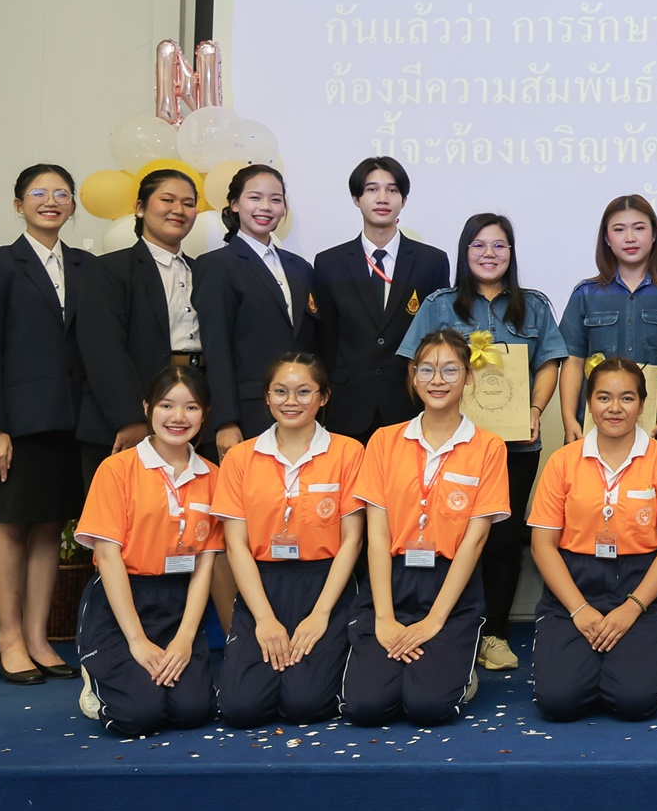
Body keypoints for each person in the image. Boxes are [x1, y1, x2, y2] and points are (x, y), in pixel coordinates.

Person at [399, 213, 567, 674]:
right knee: (448, 534)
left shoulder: (532, 306)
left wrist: (533, 411)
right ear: (463, 252)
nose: (489, 254)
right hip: (450, 448)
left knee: (504, 540)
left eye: (499, 246)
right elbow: (414, 364)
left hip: (515, 449)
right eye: (478, 245)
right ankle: (447, 626)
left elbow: (550, 363)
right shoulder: (439, 304)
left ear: (511, 254)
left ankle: (492, 633)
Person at [0, 163, 95, 683]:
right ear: (18, 205)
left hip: (75, 420)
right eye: (38, 193)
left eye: (62, 193)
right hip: (20, 422)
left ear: (72, 205)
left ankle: (39, 637)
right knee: (13, 523)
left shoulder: (88, 266)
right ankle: (10, 639)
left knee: (51, 525)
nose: (51, 201)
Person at [344, 329, 507, 727]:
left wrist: (434, 621)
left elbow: (475, 541)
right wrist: (384, 617)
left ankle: (459, 667)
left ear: (468, 377)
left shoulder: (488, 447)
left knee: (428, 707)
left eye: (451, 370)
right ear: (413, 376)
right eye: (427, 369)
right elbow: (377, 536)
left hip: (449, 582)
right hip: (392, 582)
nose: (438, 380)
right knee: (367, 707)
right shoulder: (383, 441)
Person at [527, 357, 657, 721]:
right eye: (604, 398)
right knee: (559, 702)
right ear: (588, 402)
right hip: (575, 584)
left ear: (643, 404)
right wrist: (579, 610)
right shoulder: (562, 461)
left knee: (634, 702)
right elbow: (542, 545)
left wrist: (631, 607)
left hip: (640, 585)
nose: (615, 408)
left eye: (627, 398)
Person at [212, 353, 365, 726]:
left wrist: (320, 615)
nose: (291, 401)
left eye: (303, 392)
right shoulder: (240, 458)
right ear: (266, 397)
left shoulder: (348, 452)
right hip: (262, 585)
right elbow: (236, 545)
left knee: (305, 706)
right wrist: (264, 618)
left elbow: (352, 541)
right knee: (240, 709)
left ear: (324, 397)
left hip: (326, 583)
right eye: (280, 391)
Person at [71, 363, 220, 737]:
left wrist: (185, 638)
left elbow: (205, 566)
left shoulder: (212, 476)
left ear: (204, 414)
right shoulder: (117, 469)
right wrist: (137, 641)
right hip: (121, 598)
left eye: (191, 407)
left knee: (192, 711)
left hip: (177, 602)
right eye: (166, 406)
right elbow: (107, 558)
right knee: (138, 716)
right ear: (147, 408)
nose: (178, 417)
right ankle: (96, 675)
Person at [311, 156, 451, 440]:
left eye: (392, 190)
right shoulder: (329, 262)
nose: (382, 198)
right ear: (356, 198)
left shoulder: (431, 261)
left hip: (410, 403)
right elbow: (325, 339)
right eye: (372, 189)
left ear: (404, 199)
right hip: (347, 406)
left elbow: (438, 336)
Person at [79, 167, 204, 456]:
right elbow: (102, 349)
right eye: (168, 200)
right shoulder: (108, 269)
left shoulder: (205, 271)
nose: (178, 210)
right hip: (127, 423)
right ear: (140, 208)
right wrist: (132, 418)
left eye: (188, 203)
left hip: (194, 418)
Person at [557, 194, 657, 440]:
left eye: (639, 228)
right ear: (606, 238)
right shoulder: (586, 294)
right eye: (619, 229)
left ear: (654, 234)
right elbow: (573, 360)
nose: (630, 238)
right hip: (595, 427)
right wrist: (569, 419)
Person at [192, 165, 314, 451]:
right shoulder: (217, 265)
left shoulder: (301, 268)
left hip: (302, 411)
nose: (265, 207)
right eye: (255, 198)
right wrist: (225, 421)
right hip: (248, 411)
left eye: (275, 199)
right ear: (235, 205)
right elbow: (216, 346)